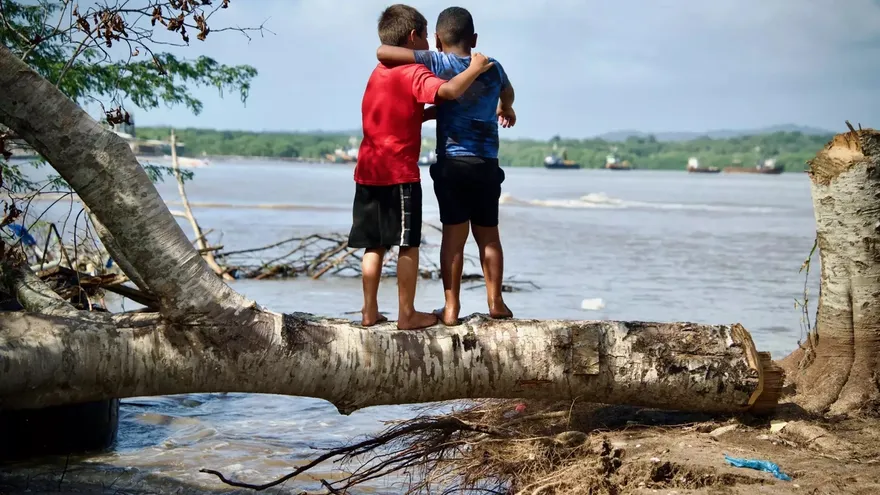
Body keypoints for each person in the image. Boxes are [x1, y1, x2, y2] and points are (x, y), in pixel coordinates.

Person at [350, 4, 496, 330]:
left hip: (367, 170)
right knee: (407, 245)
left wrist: (432, 113)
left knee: (373, 245)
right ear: (414, 37)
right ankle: (407, 314)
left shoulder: (379, 73)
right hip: (398, 173)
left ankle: (368, 311)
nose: (431, 43)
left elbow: (407, 110)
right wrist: (475, 68)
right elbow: (449, 90)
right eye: (426, 36)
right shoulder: (415, 72)